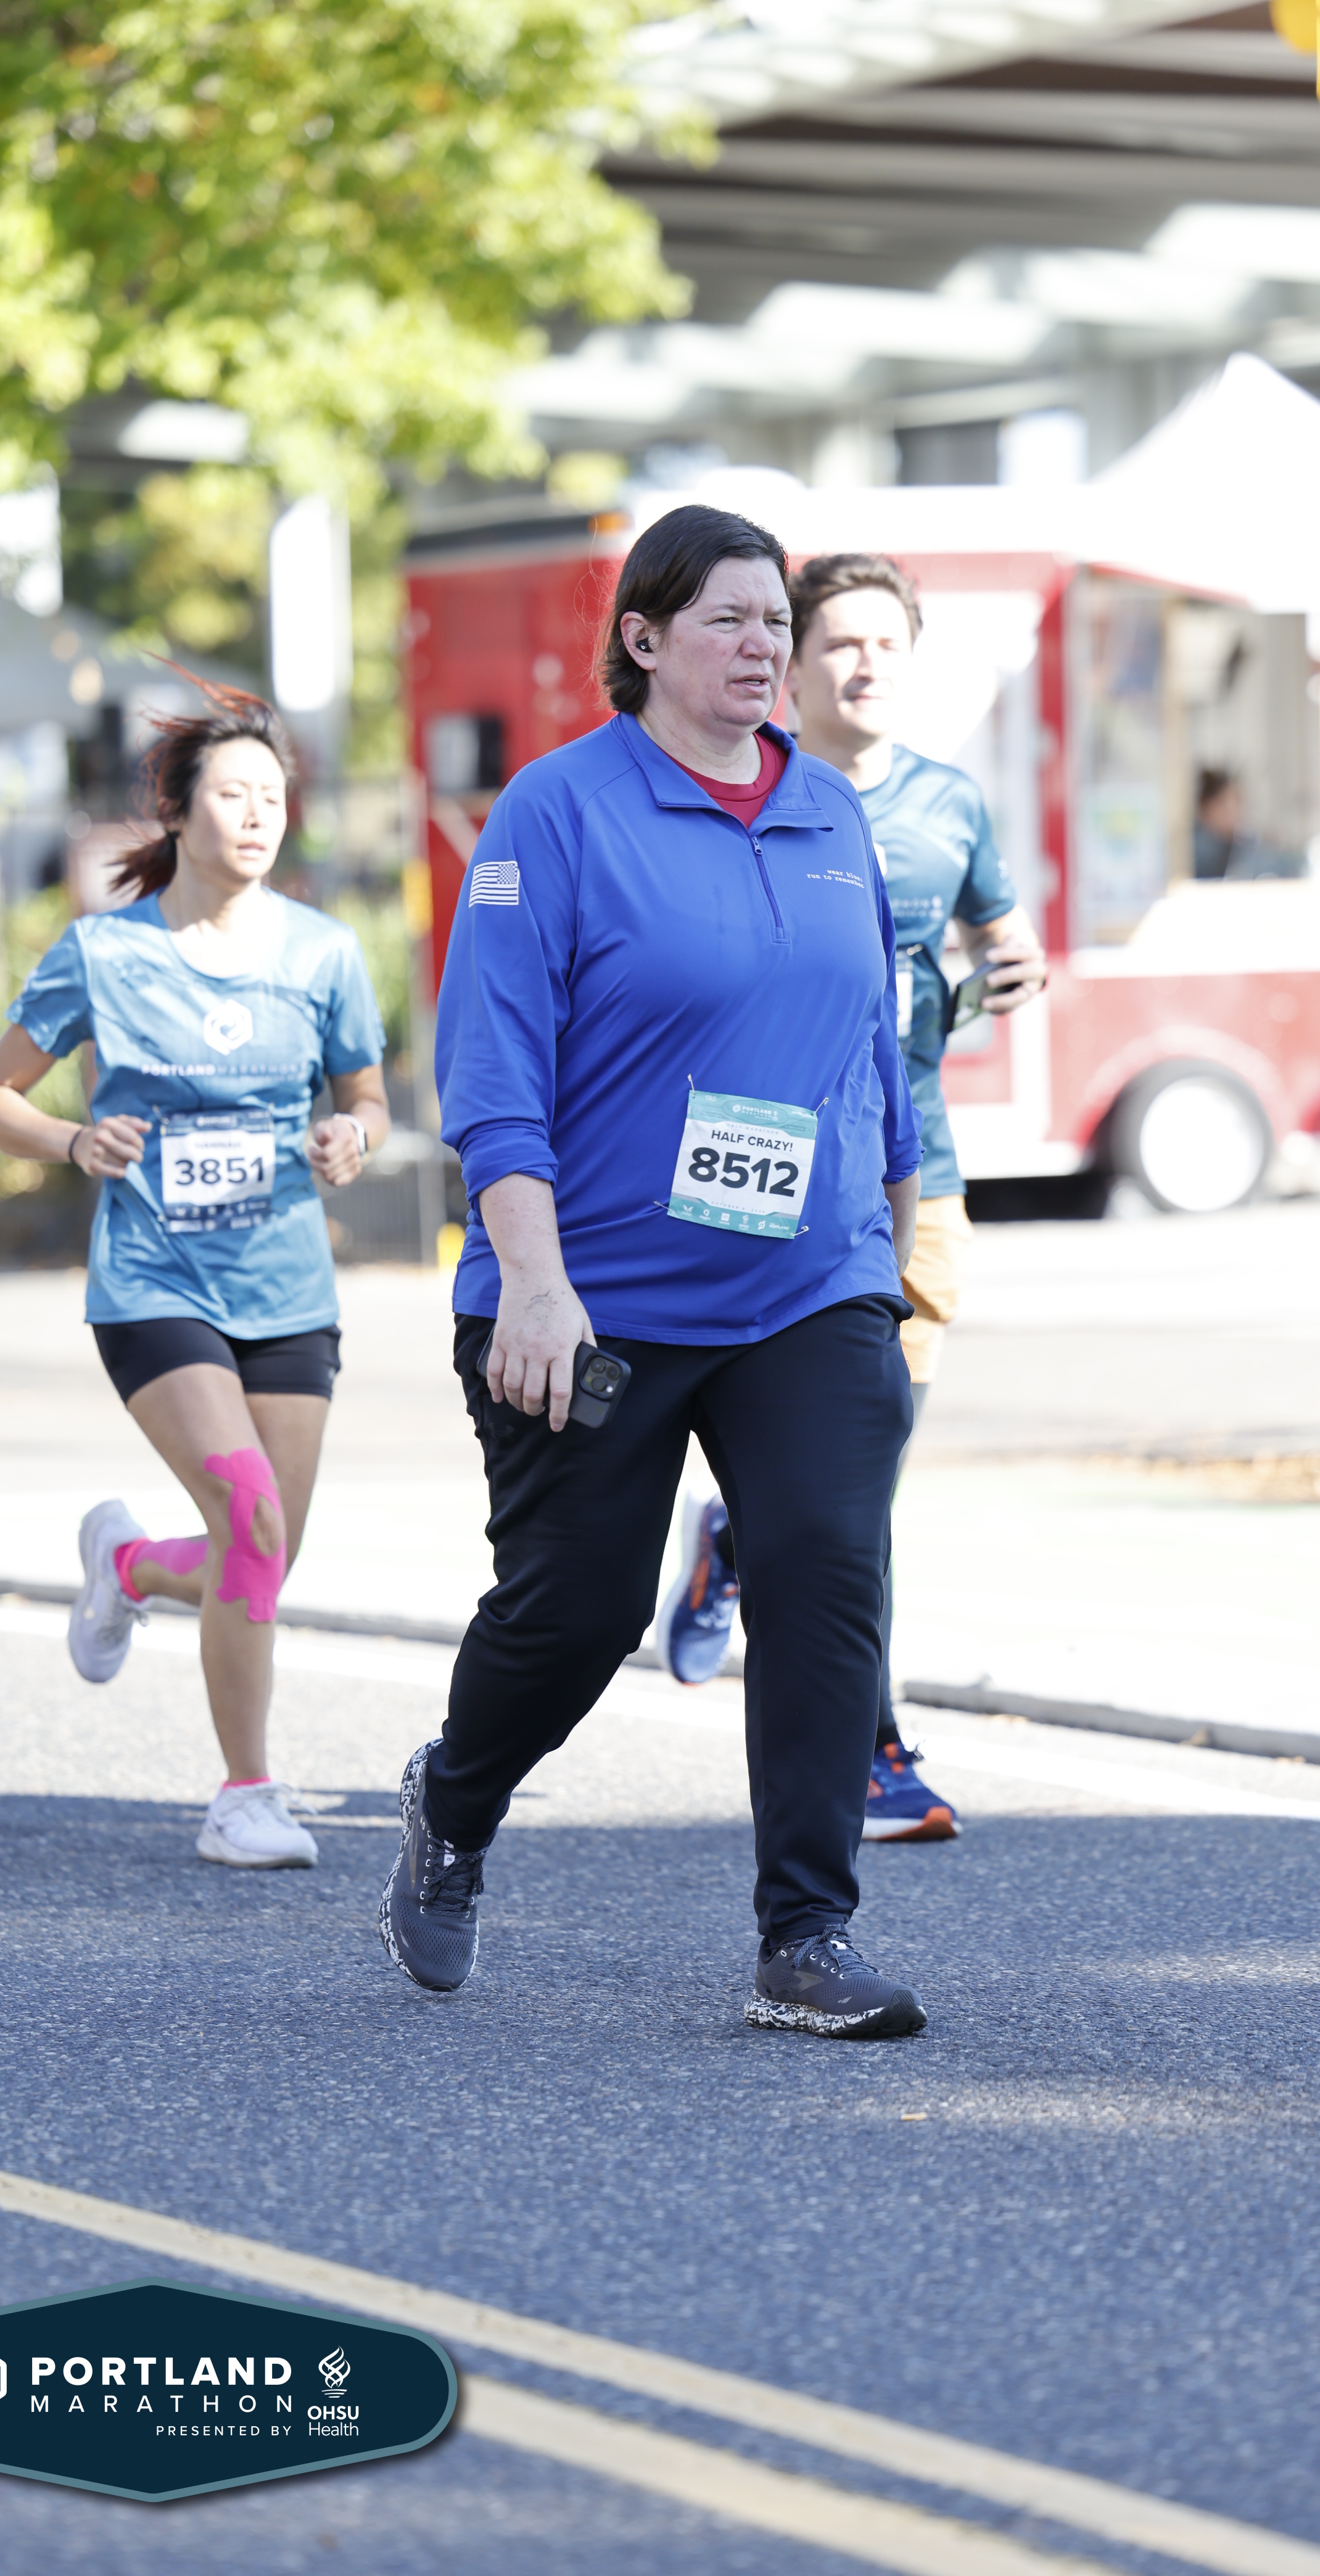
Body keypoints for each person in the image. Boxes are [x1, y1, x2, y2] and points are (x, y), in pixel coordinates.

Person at [382, 501, 927, 2039]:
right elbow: (494, 1074)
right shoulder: (557, 814)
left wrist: (889, 1254)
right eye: (728, 621)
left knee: (826, 1564)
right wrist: (533, 1280)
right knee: (581, 1612)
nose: (763, 649)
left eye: (776, 624)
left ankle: (807, 1935)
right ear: (643, 638)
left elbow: (871, 1061)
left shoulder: (830, 816)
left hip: (807, 1289)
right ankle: (456, 1801)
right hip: (593, 1295)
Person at [0, 679, 388, 1868]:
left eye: (274, 799)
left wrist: (352, 1136)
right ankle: (245, 1796)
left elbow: (365, 1096)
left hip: (288, 1285)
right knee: (251, 1518)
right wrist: (71, 1142)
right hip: (156, 1282)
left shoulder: (325, 952)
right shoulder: (104, 954)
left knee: (262, 1550)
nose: (258, 816)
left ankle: (129, 1565)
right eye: (234, 794)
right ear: (178, 809)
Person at [662, 551, 1046, 1842]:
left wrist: (1009, 971)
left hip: (913, 1171)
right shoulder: (745, 793)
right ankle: (870, 1748)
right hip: (767, 1167)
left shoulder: (949, 802)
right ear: (794, 661)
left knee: (858, 1480)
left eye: (888, 643)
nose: (864, 664)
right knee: (832, 1496)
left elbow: (999, 938)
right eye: (840, 642)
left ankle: (737, 1541)